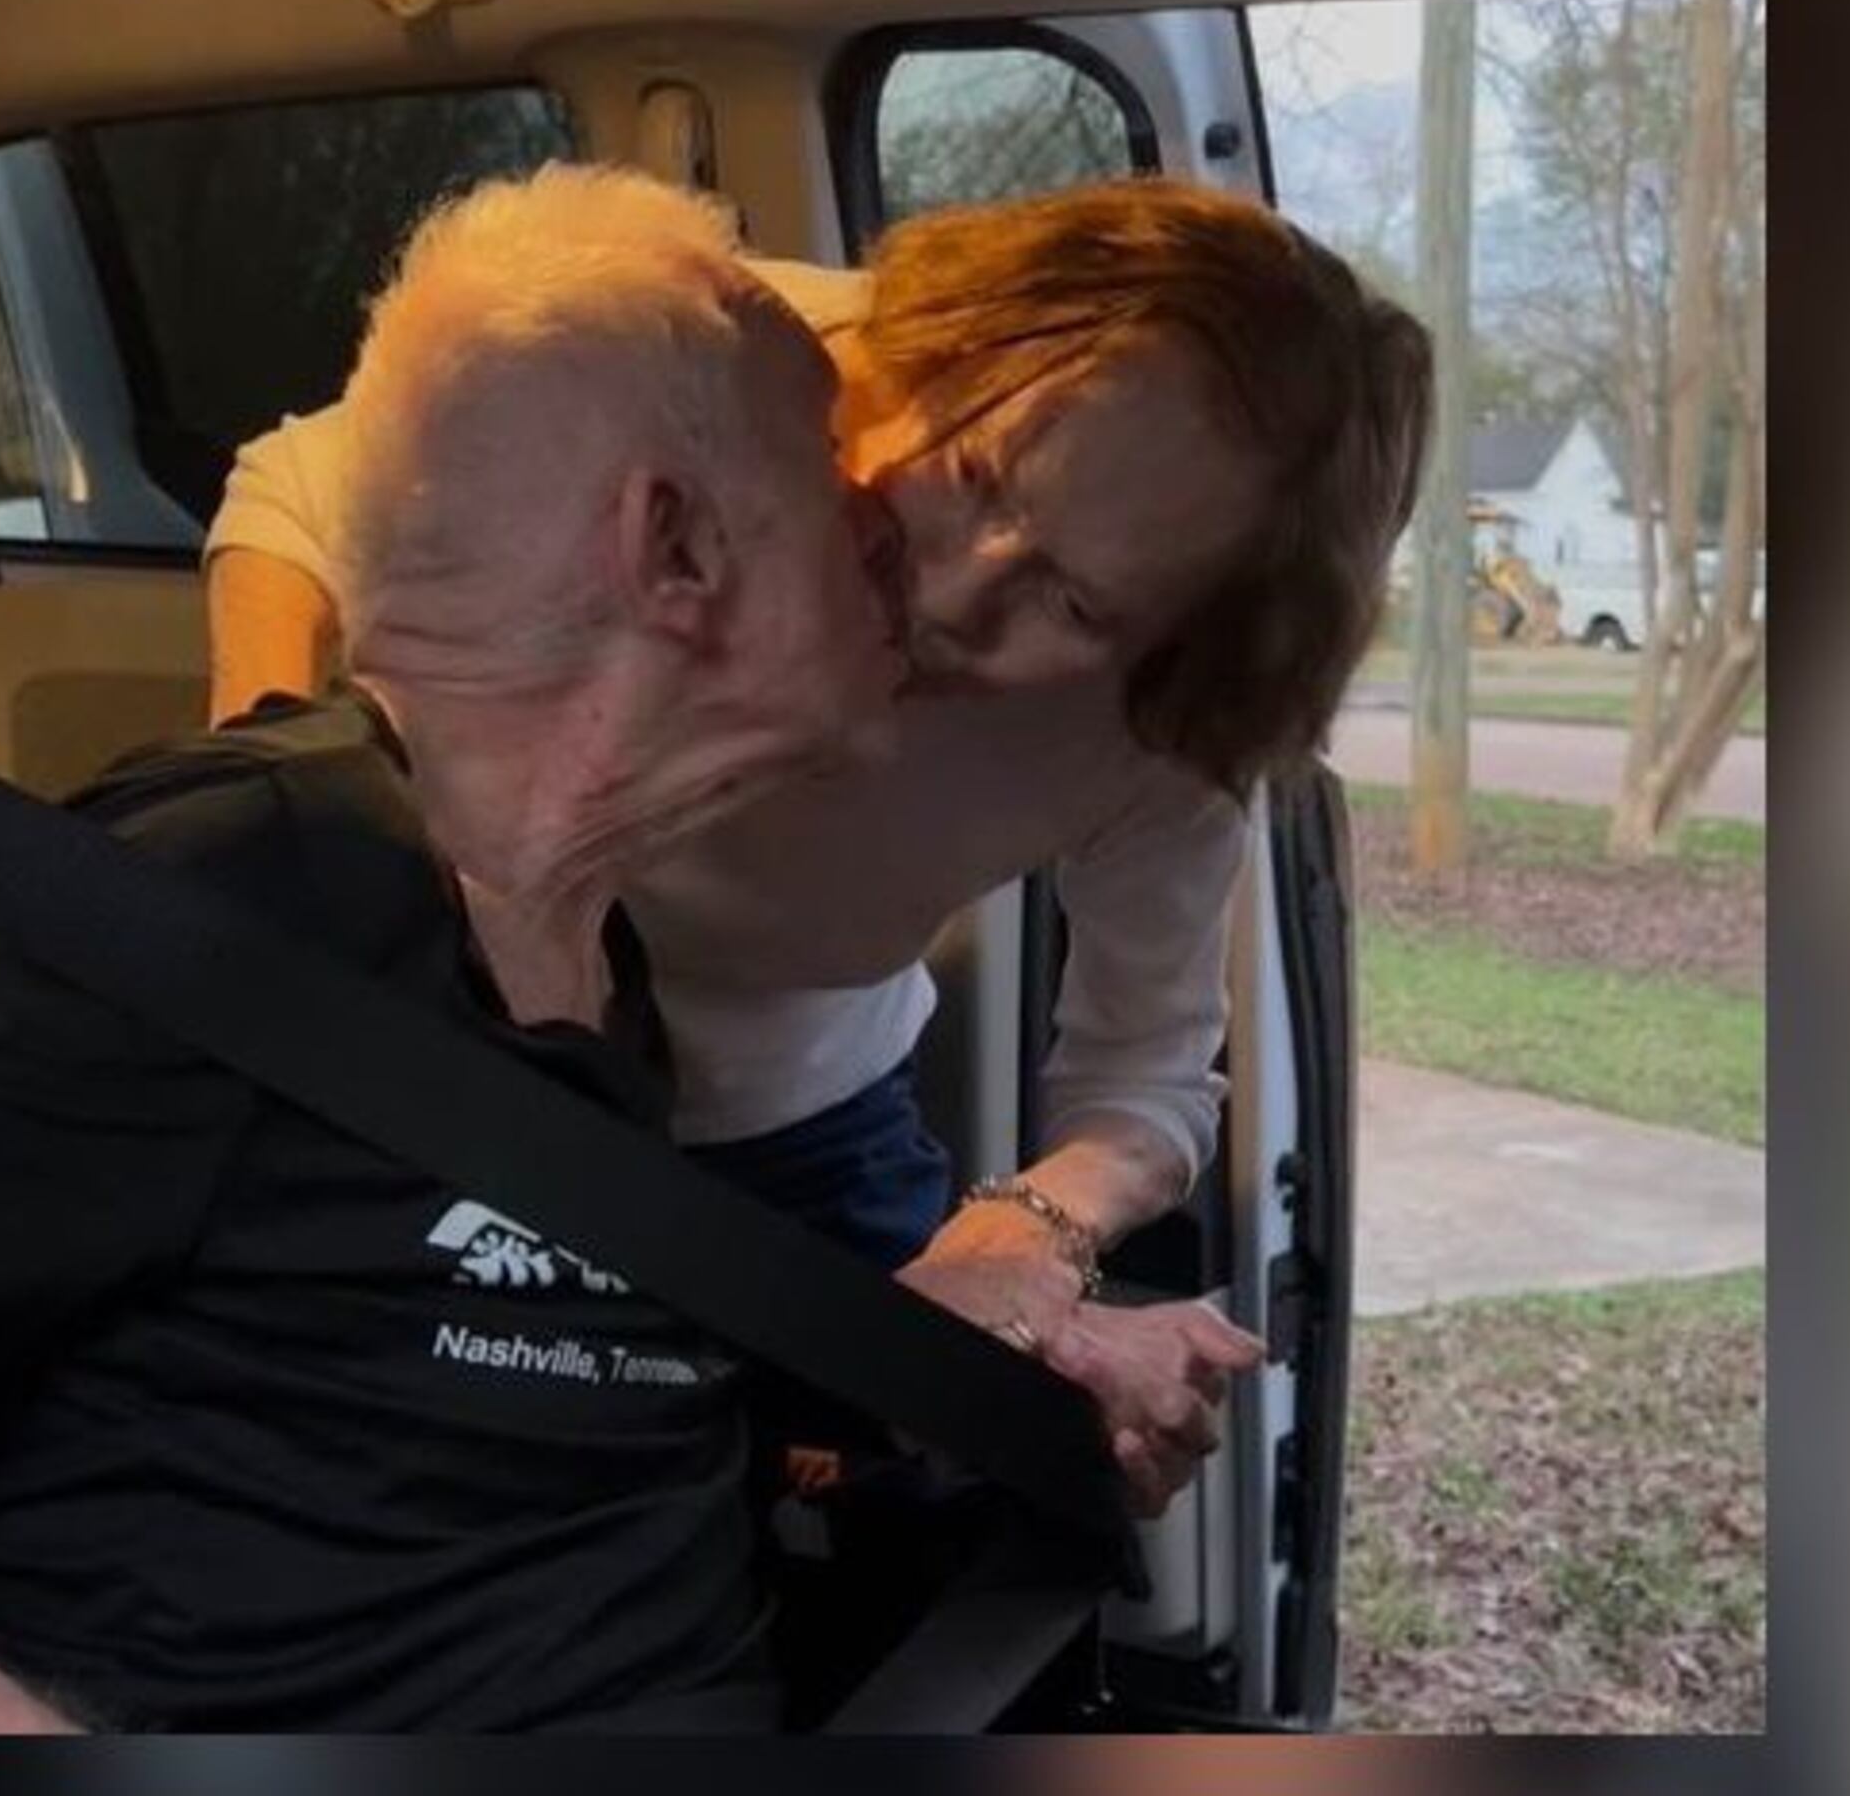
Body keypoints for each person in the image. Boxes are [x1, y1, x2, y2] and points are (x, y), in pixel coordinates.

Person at [0, 167, 1234, 1736]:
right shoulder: (250, 893)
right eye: (834, 485)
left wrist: (969, 1359)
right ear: (672, 552)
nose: (911, 555)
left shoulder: (587, 964)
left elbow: (530, 1400)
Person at [207, 178, 1429, 1449]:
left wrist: (1017, 1248)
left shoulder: (1174, 726)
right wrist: (302, 827)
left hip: (788, 1144)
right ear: (942, 346)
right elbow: (295, 490)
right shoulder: (729, 347)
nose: (952, 599)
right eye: (971, 471)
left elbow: (1147, 1073)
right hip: (433, 1065)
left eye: (1076, 608)